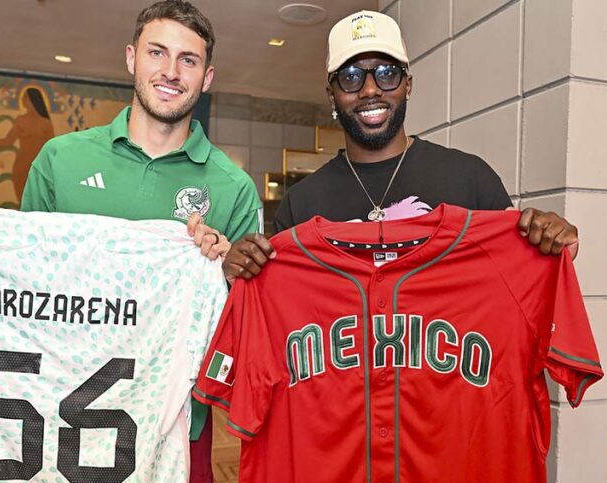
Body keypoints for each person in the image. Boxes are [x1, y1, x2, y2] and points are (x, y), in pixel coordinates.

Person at [0, 2, 262, 483]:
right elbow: (22, 295)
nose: (171, 70)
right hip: (53, 433)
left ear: (207, 76)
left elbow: (244, 331)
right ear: (131, 58)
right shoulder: (62, 160)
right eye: (157, 52)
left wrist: (222, 268)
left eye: (188, 59)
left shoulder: (231, 186)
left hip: (170, 435)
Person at [223, 10, 579, 281]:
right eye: (350, 77)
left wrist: (551, 243)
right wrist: (240, 271)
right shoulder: (300, 205)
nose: (370, 90)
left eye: (386, 73)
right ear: (331, 95)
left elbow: (517, 275)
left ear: (408, 84)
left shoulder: (471, 179)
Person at [0, 86, 56, 204]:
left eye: (26, 97)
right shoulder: (20, 120)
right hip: (21, 164)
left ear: (34, 100)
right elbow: (7, 142)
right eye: (23, 97)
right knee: (22, 199)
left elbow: (52, 147)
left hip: (38, 165)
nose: (23, 100)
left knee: (38, 199)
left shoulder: (46, 123)